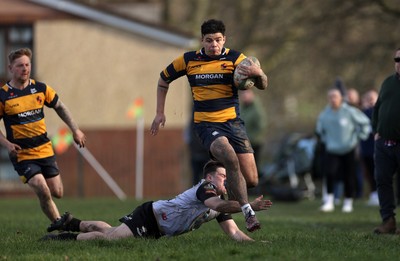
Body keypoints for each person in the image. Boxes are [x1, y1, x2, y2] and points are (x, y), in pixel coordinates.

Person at [150, 19, 268, 232]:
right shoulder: (188, 60)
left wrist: (258, 74)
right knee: (230, 158)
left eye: (218, 40)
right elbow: (163, 79)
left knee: (250, 180)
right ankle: (248, 214)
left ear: (225, 40)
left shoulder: (236, 59)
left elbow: (263, 84)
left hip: (234, 124)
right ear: (201, 41)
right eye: (209, 40)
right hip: (206, 125)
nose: (214, 44)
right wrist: (159, 112)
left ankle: (213, 198)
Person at [41, 160, 273, 242]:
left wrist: (257, 245)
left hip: (159, 228)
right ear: (210, 177)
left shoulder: (221, 200)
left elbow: (233, 233)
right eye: (223, 176)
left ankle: (72, 222)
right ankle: (65, 239)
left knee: (112, 232)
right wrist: (248, 206)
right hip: (150, 215)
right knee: (112, 240)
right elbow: (217, 206)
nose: (226, 180)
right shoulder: (207, 189)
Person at [0, 48, 86, 231]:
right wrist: (7, 144)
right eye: (20, 65)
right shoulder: (3, 96)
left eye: (27, 65)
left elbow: (60, 107)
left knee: (57, 192)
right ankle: (61, 227)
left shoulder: (41, 89)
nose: (25, 68)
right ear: (10, 68)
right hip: (23, 155)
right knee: (42, 188)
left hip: (45, 149)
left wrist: (75, 130)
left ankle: (60, 221)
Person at [316, 88, 370, 213]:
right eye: (330, 97)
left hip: (348, 148)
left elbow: (365, 123)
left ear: (341, 98)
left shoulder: (349, 111)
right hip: (332, 149)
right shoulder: (325, 113)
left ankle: (348, 202)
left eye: (335, 96)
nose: (333, 99)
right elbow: (319, 130)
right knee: (329, 174)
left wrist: (359, 137)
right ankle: (329, 202)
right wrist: (326, 140)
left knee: (349, 176)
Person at [372, 48, 400, 234]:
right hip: (384, 143)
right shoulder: (388, 82)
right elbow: (378, 107)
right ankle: (388, 221)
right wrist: (376, 130)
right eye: (397, 58)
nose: (399, 62)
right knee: (382, 180)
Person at [239, 89, 267, 175]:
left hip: (255, 143)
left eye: (246, 95)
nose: (244, 97)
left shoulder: (256, 108)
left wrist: (251, 137)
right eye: (243, 95)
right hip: (243, 143)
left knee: (255, 167)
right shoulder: (242, 108)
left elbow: (261, 125)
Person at [360, 89, 379, 206]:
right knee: (369, 172)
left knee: (379, 172)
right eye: (368, 97)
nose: (370, 100)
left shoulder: (380, 111)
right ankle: (373, 195)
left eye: (372, 97)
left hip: (377, 147)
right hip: (366, 148)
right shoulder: (363, 113)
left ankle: (380, 195)